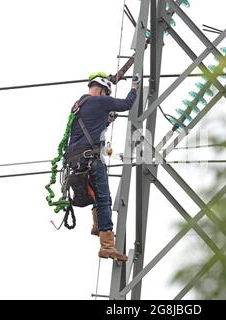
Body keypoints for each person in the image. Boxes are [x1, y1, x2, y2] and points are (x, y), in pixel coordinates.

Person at [65, 71, 139, 261]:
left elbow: (87, 129)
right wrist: (134, 87)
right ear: (102, 90)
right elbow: (126, 104)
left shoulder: (78, 106)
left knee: (99, 195)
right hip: (91, 159)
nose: (108, 97)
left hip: (76, 160)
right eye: (107, 93)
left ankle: (97, 226)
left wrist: (106, 120)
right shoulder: (101, 101)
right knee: (104, 199)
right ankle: (107, 246)